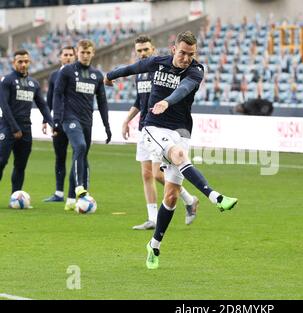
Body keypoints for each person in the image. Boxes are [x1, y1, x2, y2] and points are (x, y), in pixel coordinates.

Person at [105, 31, 238, 269]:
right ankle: (215, 197)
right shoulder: (158, 62)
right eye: (182, 53)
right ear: (173, 48)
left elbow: (184, 89)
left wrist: (168, 101)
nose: (186, 58)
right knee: (177, 155)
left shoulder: (197, 70)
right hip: (153, 127)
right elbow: (133, 68)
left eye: (191, 54)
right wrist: (109, 76)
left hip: (181, 130)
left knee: (171, 195)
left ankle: (154, 245)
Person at [122, 35, 199, 230]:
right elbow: (140, 102)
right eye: (139, 50)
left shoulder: (160, 69)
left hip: (162, 128)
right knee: (146, 174)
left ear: (153, 50)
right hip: (145, 127)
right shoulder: (140, 74)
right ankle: (153, 218)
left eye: (145, 50)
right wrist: (127, 119)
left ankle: (189, 200)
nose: (142, 54)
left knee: (157, 174)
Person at [53, 39, 111, 211]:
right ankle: (80, 187)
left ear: (93, 53)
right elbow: (57, 94)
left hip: (87, 120)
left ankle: (71, 198)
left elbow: (102, 102)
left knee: (81, 156)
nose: (85, 55)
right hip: (70, 118)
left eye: (88, 52)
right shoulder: (67, 71)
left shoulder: (97, 75)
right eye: (82, 52)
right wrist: (56, 119)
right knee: (80, 146)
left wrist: (107, 126)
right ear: (77, 52)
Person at [0, 50, 54, 195]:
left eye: (26, 61)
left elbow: (42, 105)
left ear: (29, 62)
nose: (23, 64)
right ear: (14, 63)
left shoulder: (33, 83)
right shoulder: (7, 81)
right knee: (1, 162)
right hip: (7, 127)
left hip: (26, 129)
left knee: (20, 165)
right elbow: (4, 106)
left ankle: (15, 196)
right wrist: (14, 128)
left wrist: (52, 123)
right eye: (20, 62)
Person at [43, 46, 77, 202]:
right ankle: (59, 193)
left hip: (77, 121)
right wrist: (46, 119)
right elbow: (49, 99)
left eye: (71, 54)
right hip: (59, 121)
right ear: (60, 57)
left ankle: (79, 191)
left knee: (79, 156)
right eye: (66, 55)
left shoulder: (79, 74)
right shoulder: (54, 75)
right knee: (60, 157)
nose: (68, 57)